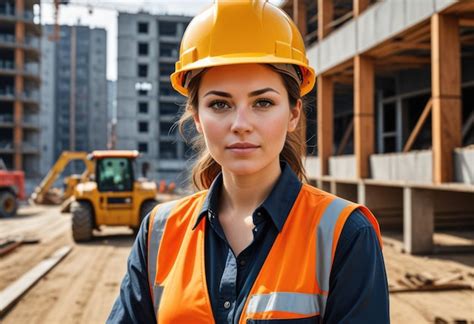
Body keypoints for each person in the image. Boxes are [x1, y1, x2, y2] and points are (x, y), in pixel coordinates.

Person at [107, 1, 390, 323]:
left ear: (294, 114)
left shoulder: (345, 233)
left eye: (263, 102)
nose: (241, 123)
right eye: (220, 104)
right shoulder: (159, 231)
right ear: (198, 117)